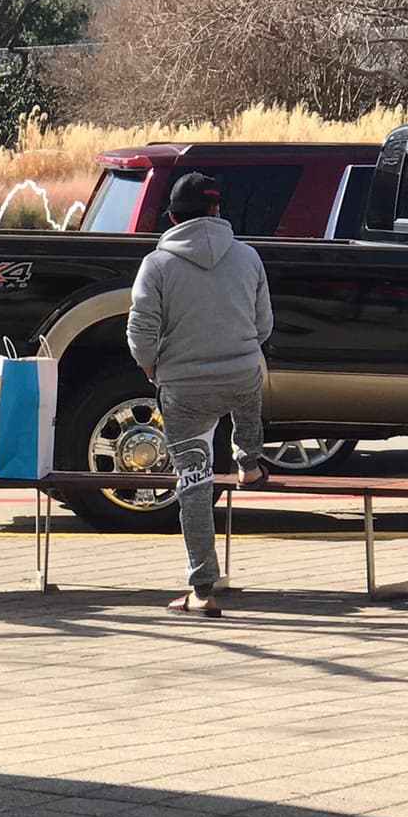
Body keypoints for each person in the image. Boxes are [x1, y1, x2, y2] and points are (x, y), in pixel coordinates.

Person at [127, 173, 273, 617]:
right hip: (241, 375)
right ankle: (249, 463)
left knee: (194, 483)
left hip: (183, 388)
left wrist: (154, 370)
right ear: (217, 211)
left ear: (172, 217)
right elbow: (263, 326)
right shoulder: (248, 258)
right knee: (249, 393)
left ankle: (203, 590)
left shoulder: (157, 264)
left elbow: (140, 333)